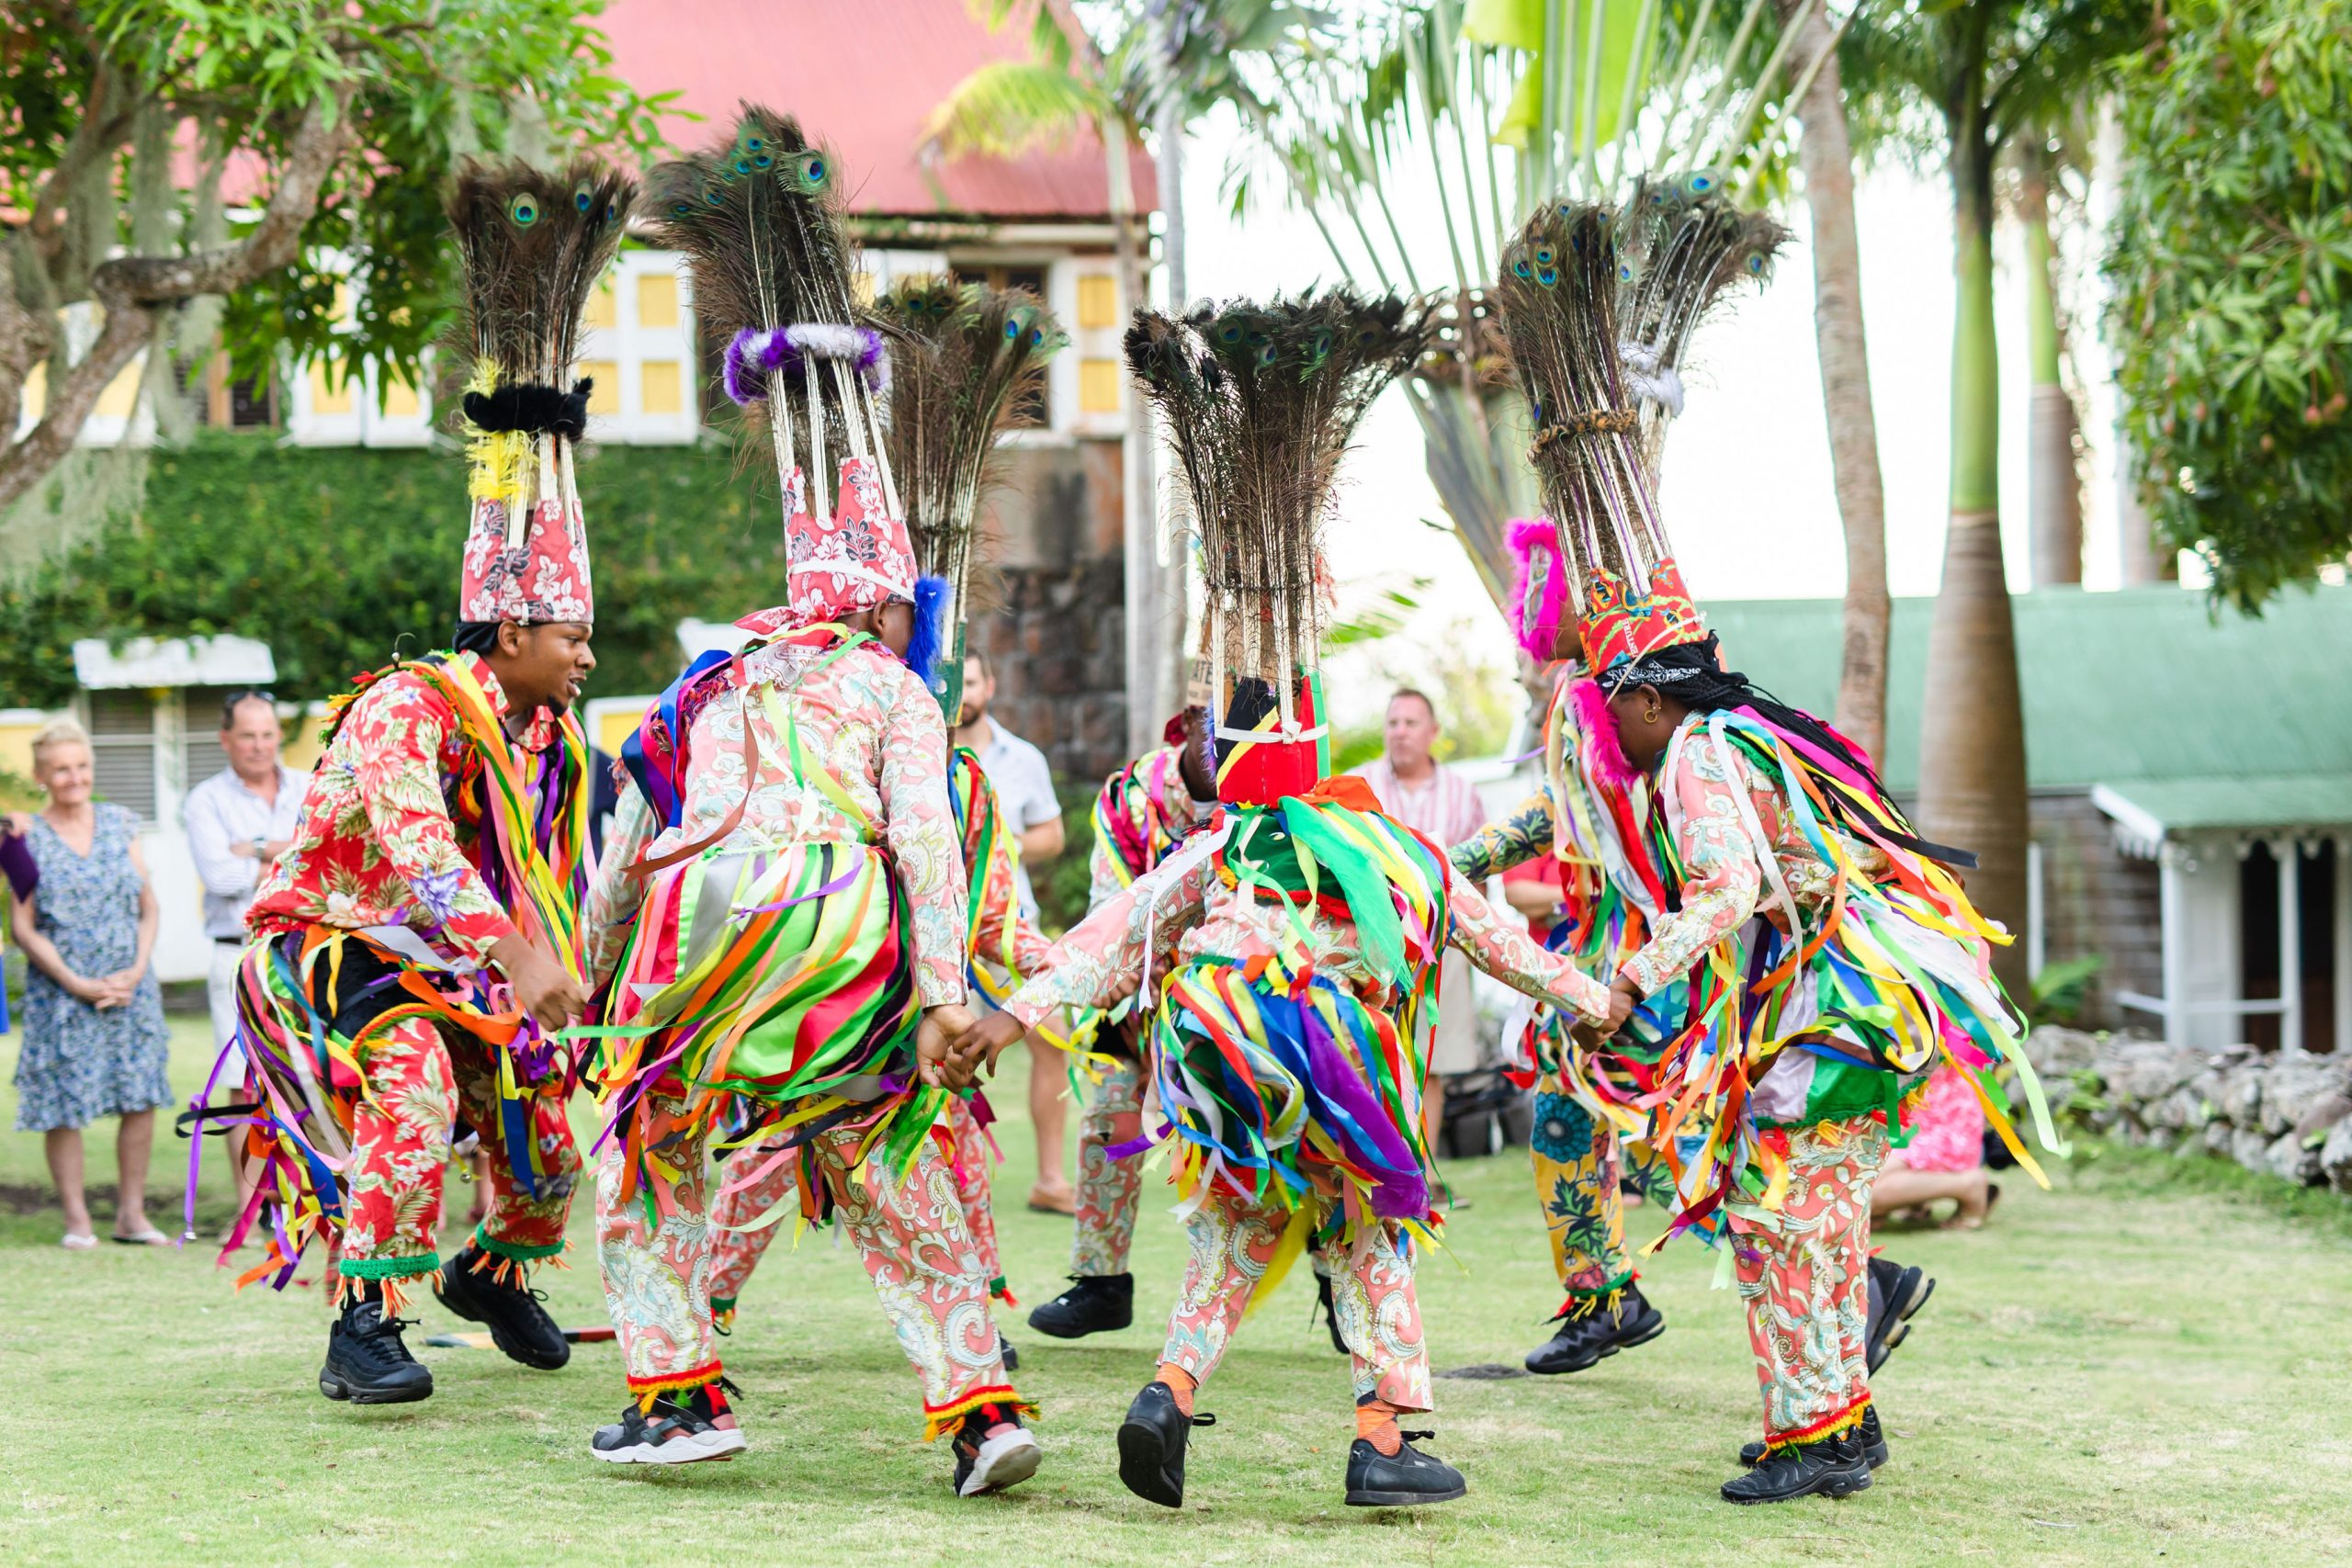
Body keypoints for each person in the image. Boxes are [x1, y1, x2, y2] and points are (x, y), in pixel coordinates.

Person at [956, 292, 1629, 1510]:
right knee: (1375, 1228)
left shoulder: (1231, 843)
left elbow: (1112, 937)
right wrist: (1597, 999)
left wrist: (1005, 1019)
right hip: (1318, 1047)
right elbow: (1500, 937)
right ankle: (1383, 1441)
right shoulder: (1380, 838)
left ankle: (1166, 1391)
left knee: (1236, 1232)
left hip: (1218, 1036)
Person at [1488, 196, 2055, 1505]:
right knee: (1779, 1202)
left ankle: (1825, 1428)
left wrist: (1635, 975)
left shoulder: (1695, 751)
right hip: (1833, 1001)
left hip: (1845, 1004)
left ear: (1640, 690)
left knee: (1779, 1197)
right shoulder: (1734, 735)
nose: (1605, 721)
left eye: (1607, 696)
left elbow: (1729, 889)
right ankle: (1827, 1415)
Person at [582, 112, 1032, 1496]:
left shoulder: (718, 681)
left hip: (714, 927)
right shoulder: (898, 693)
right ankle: (978, 1409)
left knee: (647, 1143)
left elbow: (639, 844)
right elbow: (925, 844)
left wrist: (597, 979)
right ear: (890, 602)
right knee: (888, 1166)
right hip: (843, 933)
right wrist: (945, 987)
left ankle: (677, 1398)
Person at [203, 155, 624, 1407]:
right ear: (509, 635)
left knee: (550, 1122)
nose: (589, 654)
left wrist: (575, 965)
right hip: (328, 943)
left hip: (455, 960)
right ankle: (363, 1322)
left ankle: (493, 1269)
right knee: (418, 1070)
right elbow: (425, 852)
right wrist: (515, 955)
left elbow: (555, 873)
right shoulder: (409, 704)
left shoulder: (553, 743)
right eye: (570, 637)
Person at [1025, 708, 1216, 1343]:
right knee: (1109, 1112)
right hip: (1134, 989)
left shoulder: (1268, 799)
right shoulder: (1131, 798)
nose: (1221, 747)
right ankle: (1101, 1282)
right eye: (1211, 732)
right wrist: (1149, 985)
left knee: (1283, 1131)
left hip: (1236, 994)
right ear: (1186, 727)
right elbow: (1115, 912)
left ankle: (1333, 1279)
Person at [10, 719, 173, 1248]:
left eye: (81, 766)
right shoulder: (23, 837)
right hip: (62, 990)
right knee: (64, 1102)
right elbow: (21, 925)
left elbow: (149, 908)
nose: (74, 777)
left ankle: (131, 1214)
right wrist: (73, 981)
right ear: (41, 775)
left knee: (139, 1095)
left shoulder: (121, 823)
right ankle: (77, 1220)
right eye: (61, 768)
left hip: (130, 986)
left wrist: (138, 968)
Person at [952, 647, 1073, 1213]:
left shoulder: (1022, 758)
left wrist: (995, 849)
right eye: (959, 683)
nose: (967, 693)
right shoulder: (921, 749)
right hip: (937, 931)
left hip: (1006, 921)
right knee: (947, 1047)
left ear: (991, 685)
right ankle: (950, 1184)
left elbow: (1052, 835)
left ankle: (1050, 1178)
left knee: (1052, 1034)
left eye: (974, 682)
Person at [182, 688, 309, 1224]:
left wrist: (256, 849)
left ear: (278, 734)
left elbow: (323, 857)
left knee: (308, 1073)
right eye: (247, 736)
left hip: (305, 954)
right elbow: (220, 876)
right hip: (236, 956)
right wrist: (287, 852)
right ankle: (252, 1206)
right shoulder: (205, 800)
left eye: (266, 734)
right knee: (239, 1078)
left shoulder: (309, 786)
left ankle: (311, 1197)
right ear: (226, 739)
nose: (258, 746)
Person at [1351, 688, 1494, 1164]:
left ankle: (1422, 1171)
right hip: (1375, 942)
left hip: (1443, 943)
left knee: (1431, 1060)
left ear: (1433, 733)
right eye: (1393, 723)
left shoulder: (1462, 794)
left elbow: (1483, 878)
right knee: (1373, 1053)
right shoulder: (1361, 788)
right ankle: (1377, 1166)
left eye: (1411, 723)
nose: (1401, 732)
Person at [1871, 1063, 1996, 1226]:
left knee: (1861, 1195)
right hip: (1911, 1116)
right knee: (1857, 1188)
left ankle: (1969, 1185)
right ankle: (1911, 1203)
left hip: (1944, 1122)